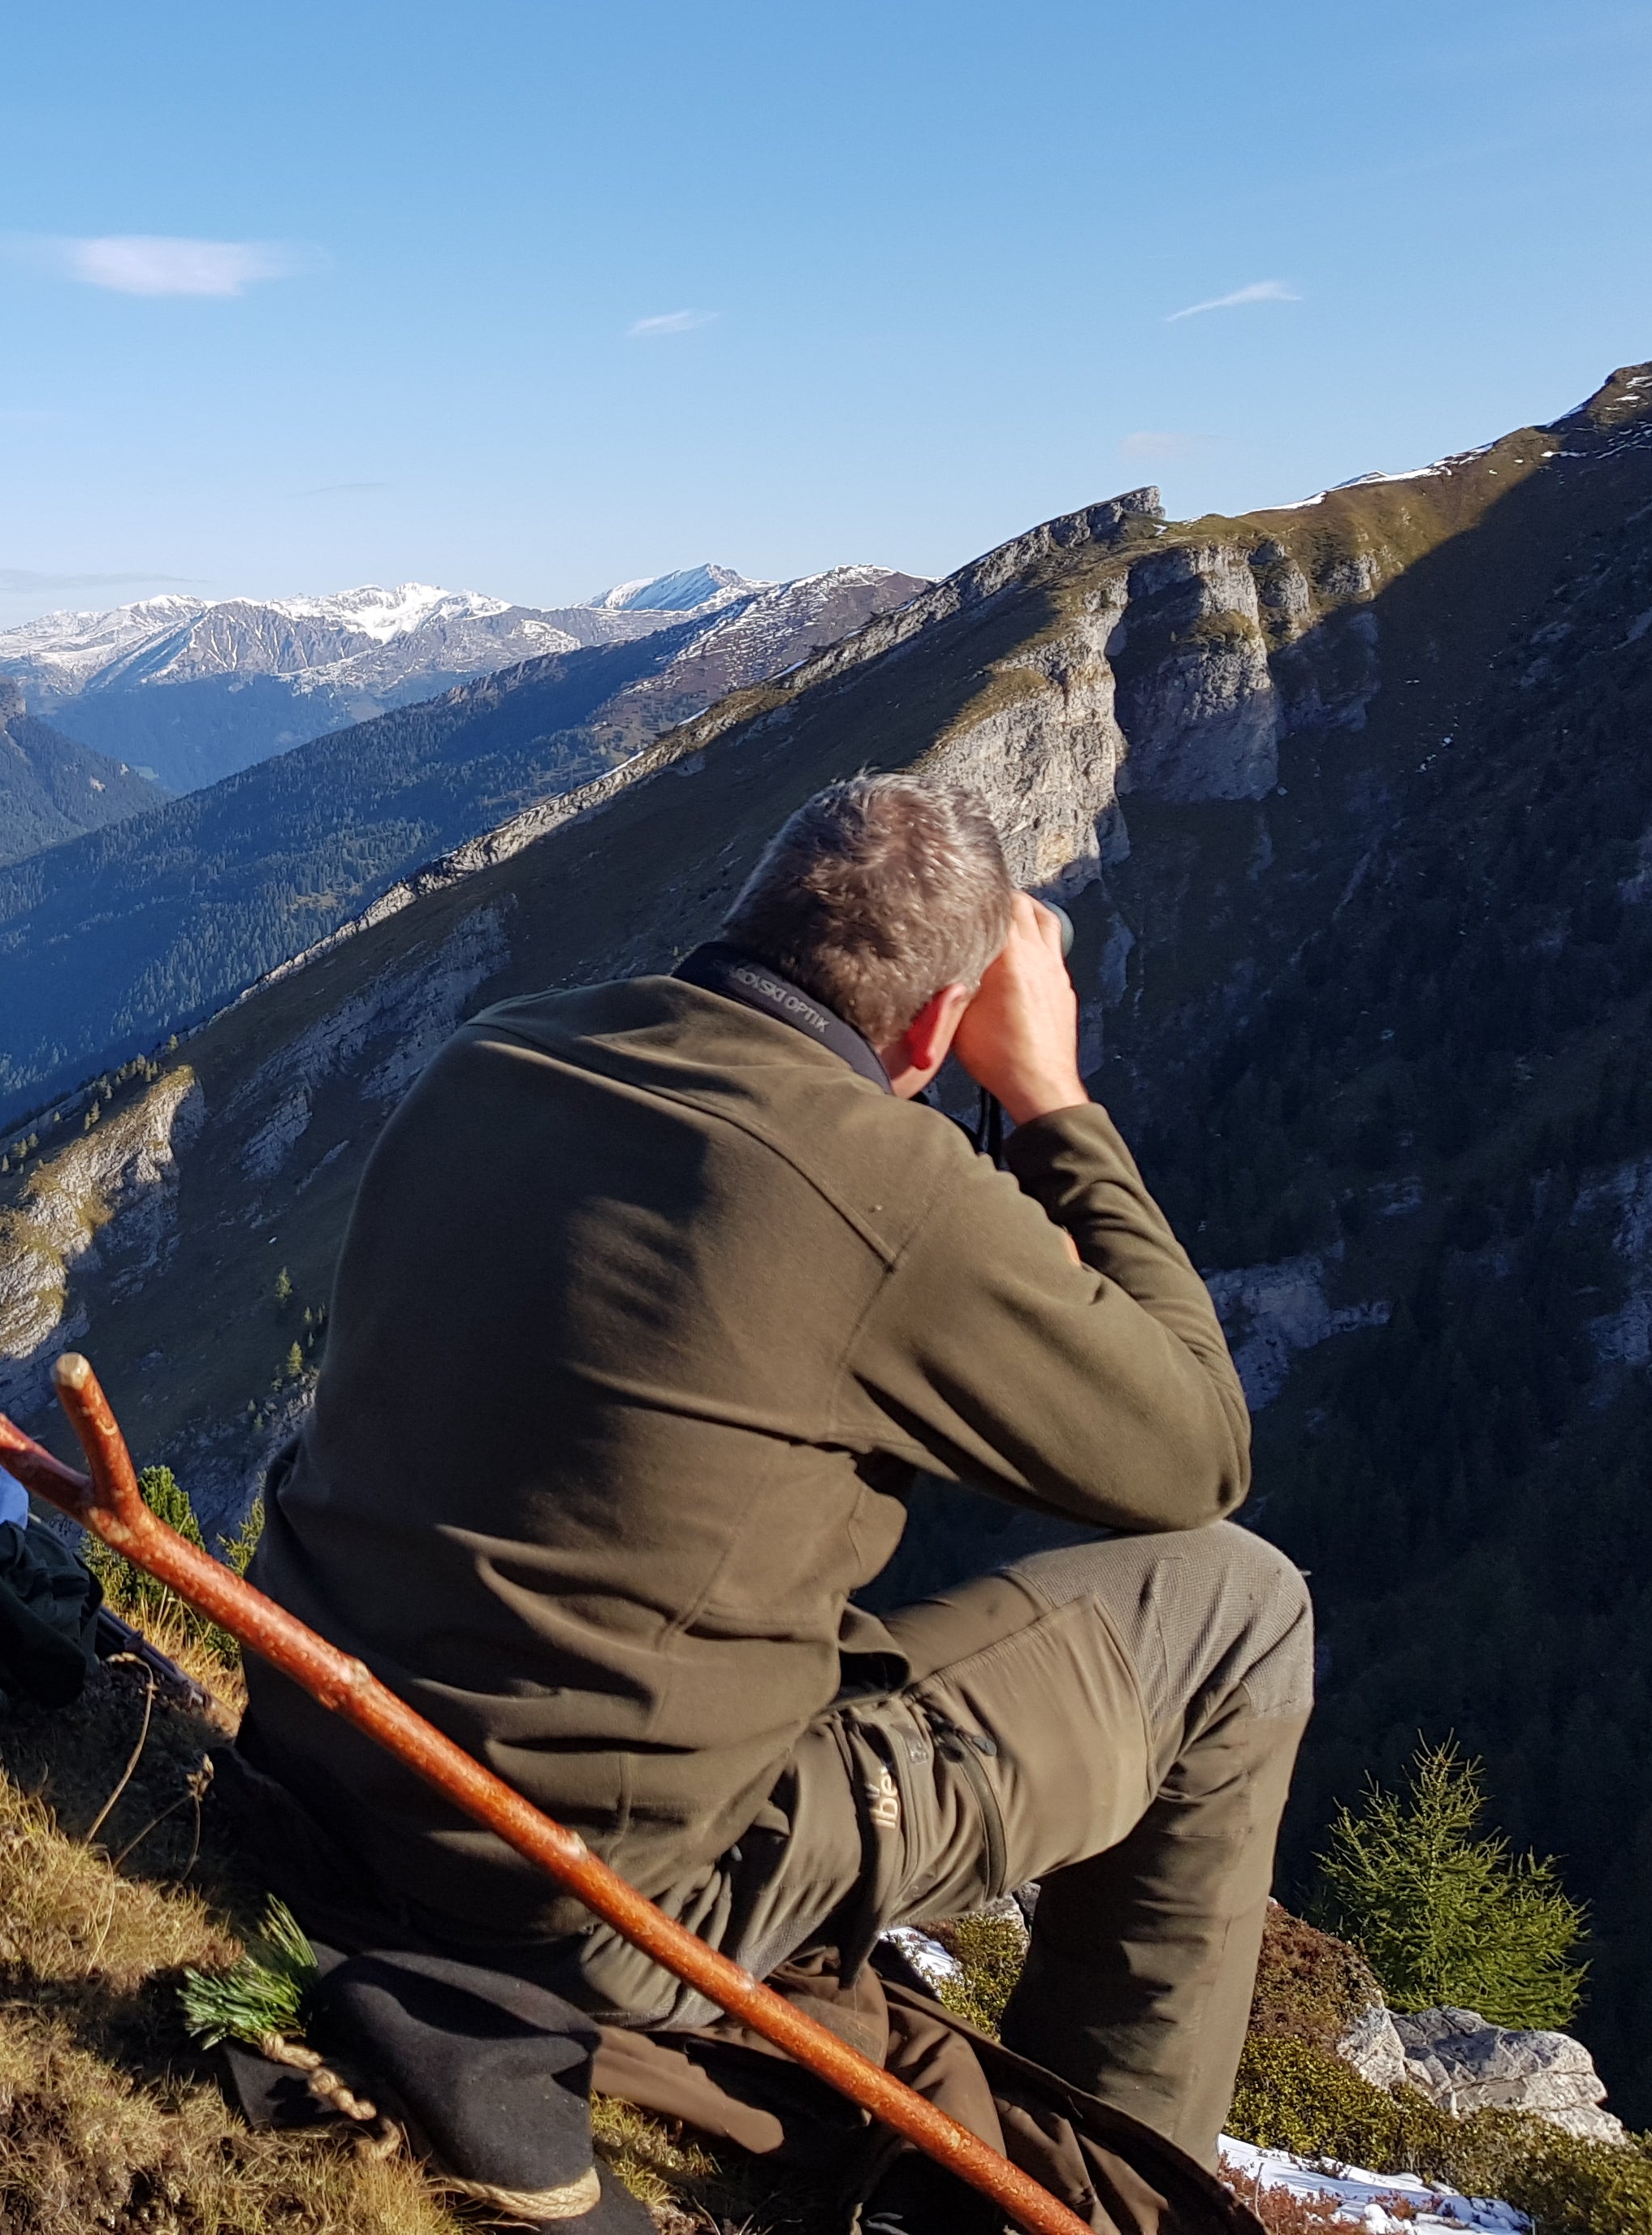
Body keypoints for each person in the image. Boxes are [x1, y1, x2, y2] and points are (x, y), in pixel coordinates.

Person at [236, 771, 1310, 2164]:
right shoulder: (896, 1192)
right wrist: (1049, 1099)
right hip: (592, 1902)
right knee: (1239, 1608)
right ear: (936, 1021)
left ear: (751, 913)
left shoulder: (493, 1054)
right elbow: (1197, 1453)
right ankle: (1111, 2177)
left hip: (322, 1772)